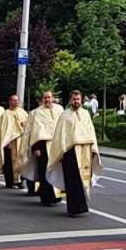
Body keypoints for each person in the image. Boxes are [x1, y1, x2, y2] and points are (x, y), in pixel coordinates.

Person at [46, 89, 101, 217]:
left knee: (82, 180)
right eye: (74, 99)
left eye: (78, 99)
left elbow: (91, 132)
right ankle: (73, 209)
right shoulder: (65, 116)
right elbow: (60, 135)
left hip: (85, 151)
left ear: (81, 100)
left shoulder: (86, 114)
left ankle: (82, 206)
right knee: (72, 181)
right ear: (70, 100)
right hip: (70, 152)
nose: (76, 101)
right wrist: (61, 153)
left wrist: (93, 149)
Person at [22, 90, 64, 206]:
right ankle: (45, 197)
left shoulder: (60, 110)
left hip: (57, 146)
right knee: (44, 172)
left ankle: (56, 196)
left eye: (49, 97)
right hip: (43, 147)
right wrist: (36, 148)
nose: (47, 100)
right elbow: (33, 132)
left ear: (53, 98)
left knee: (56, 170)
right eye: (45, 98)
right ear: (42, 99)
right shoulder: (36, 113)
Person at [0, 94, 29, 189]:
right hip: (10, 143)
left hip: (20, 141)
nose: (16, 102)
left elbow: (29, 124)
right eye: (14, 100)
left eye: (17, 100)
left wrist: (24, 124)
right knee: (8, 163)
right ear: (10, 101)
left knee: (21, 161)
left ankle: (19, 181)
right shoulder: (5, 114)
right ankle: (9, 181)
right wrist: (6, 141)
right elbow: (2, 129)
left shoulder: (22, 112)